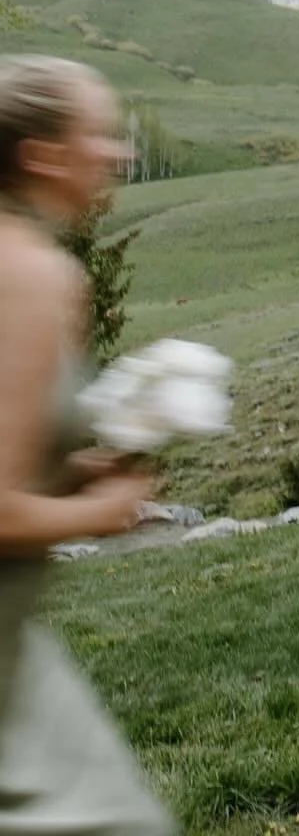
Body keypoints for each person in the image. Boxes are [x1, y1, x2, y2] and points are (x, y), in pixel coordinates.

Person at [0, 54, 175, 836]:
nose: (119, 154)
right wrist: (99, 513)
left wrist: (75, 470)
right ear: (42, 155)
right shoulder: (32, 275)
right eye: (99, 136)